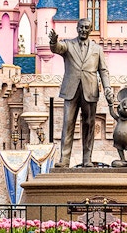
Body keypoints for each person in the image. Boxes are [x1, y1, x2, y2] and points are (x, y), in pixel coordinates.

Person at [50, 18, 116, 167]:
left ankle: (87, 159)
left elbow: (103, 71)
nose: (83, 30)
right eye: (81, 27)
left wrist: (107, 88)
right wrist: (54, 42)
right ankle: (65, 159)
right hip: (71, 89)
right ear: (77, 28)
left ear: (91, 30)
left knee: (89, 124)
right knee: (68, 123)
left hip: (90, 89)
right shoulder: (68, 44)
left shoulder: (97, 49)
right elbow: (57, 48)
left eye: (86, 28)